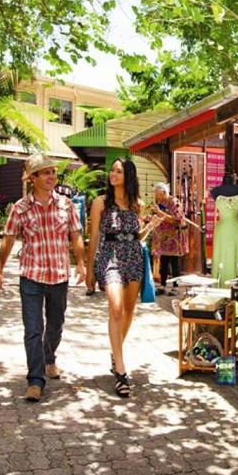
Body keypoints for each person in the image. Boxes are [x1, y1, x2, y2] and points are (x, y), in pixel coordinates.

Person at [0, 154, 86, 403]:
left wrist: (83, 264)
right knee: (33, 329)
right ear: (33, 178)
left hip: (59, 275)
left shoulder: (66, 205)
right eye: (45, 173)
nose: (51, 176)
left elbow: (75, 235)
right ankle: (35, 380)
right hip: (31, 276)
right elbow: (8, 239)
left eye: (53, 172)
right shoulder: (20, 208)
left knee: (55, 325)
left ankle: (49, 357)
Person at [86, 158, 163, 398]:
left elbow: (136, 235)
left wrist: (150, 227)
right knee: (116, 308)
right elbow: (95, 236)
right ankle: (120, 371)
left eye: (118, 171)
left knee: (129, 311)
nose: (113, 174)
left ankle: (114, 351)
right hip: (109, 257)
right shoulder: (100, 202)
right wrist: (89, 270)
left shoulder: (136, 203)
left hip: (133, 257)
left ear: (128, 175)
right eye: (112, 170)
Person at [150, 182, 189, 291]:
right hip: (163, 238)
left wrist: (160, 213)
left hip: (174, 238)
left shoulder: (174, 202)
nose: (156, 196)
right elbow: (159, 216)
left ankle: (175, 288)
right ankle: (162, 286)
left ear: (163, 192)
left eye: (157, 193)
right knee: (164, 262)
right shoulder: (160, 202)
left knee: (174, 263)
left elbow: (176, 220)